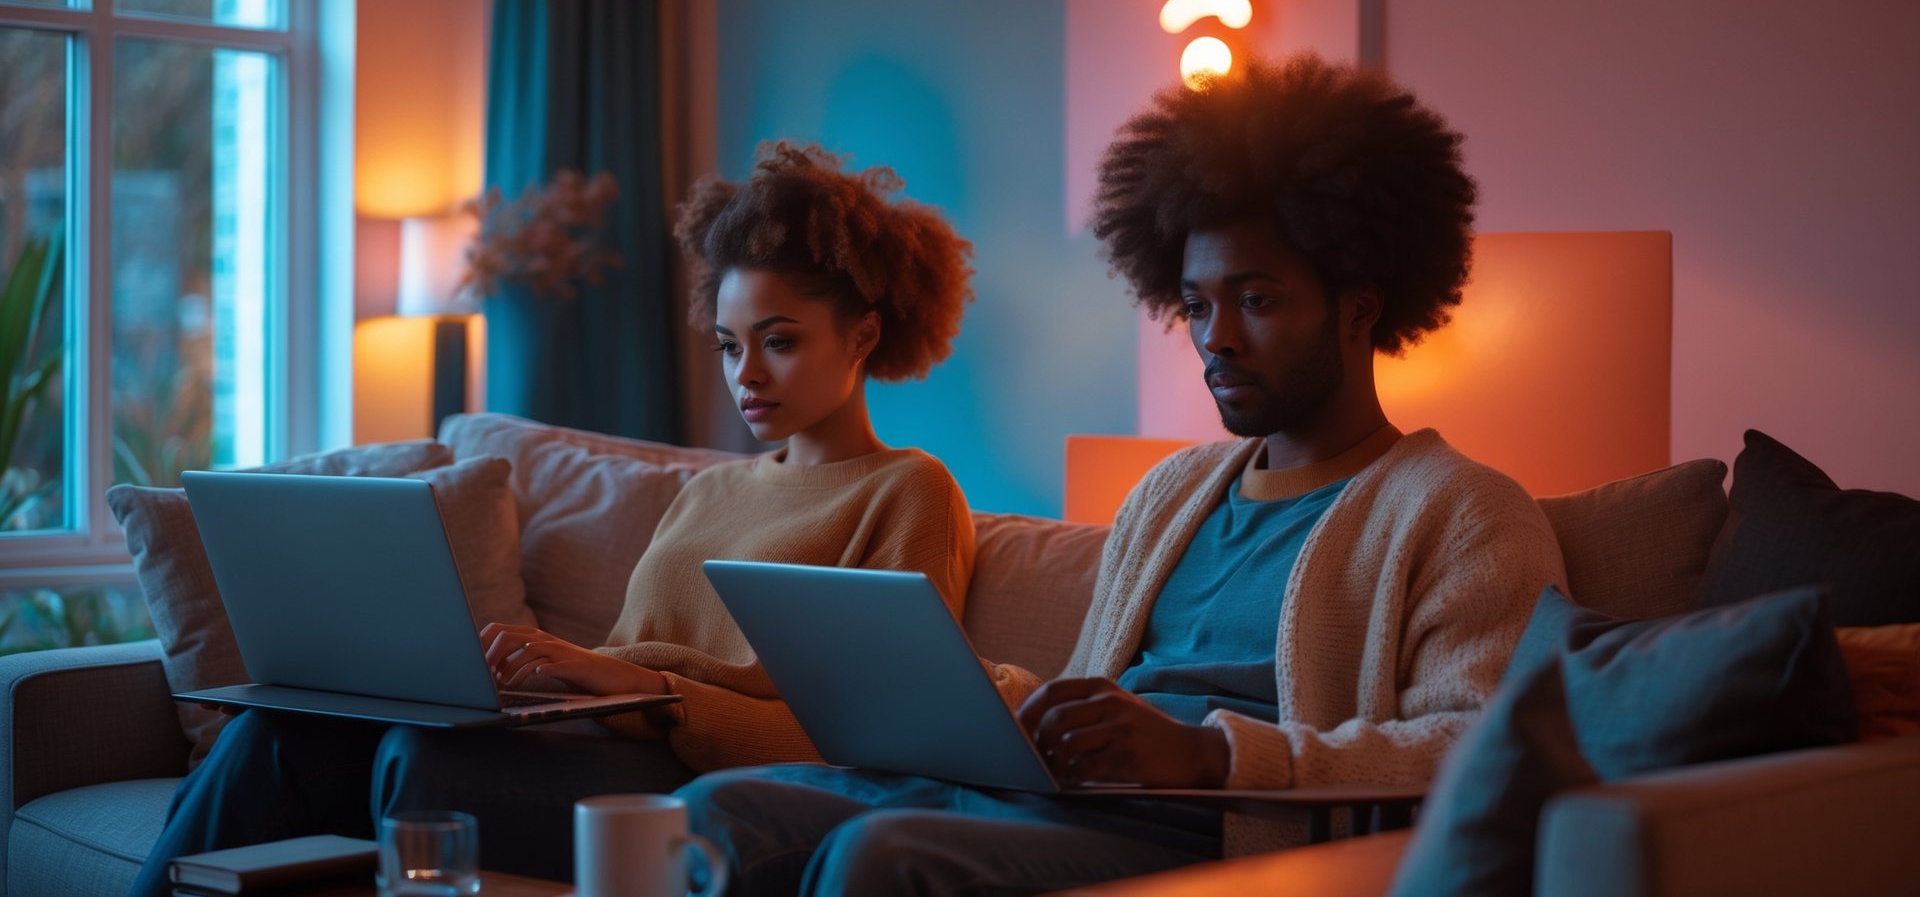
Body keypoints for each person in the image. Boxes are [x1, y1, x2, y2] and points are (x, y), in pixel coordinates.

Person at [678, 52, 1571, 896]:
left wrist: (1212, 755)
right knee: (714, 810)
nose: (1215, 336)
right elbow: (1101, 685)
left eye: (1255, 300)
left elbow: (1477, 743)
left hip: (1206, 844)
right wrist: (986, 698)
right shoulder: (1171, 492)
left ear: (1360, 308)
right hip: (1055, 802)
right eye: (1195, 305)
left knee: (886, 855)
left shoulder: (1464, 512)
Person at [127, 142, 980, 895]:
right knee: (274, 734)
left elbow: (874, 746)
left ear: (864, 337)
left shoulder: (909, 492)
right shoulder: (712, 491)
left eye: (779, 340)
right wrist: (543, 677)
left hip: (697, 783)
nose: (745, 372)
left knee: (419, 760)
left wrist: (655, 688)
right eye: (728, 344)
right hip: (605, 739)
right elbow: (624, 661)